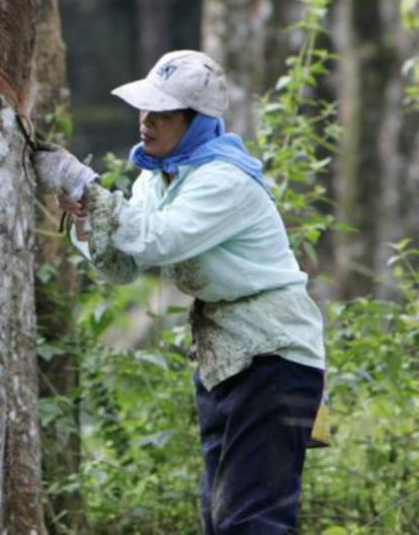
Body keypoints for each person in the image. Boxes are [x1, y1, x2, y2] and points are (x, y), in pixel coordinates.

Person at [33, 50, 327, 534]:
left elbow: (159, 238)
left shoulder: (224, 179)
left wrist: (88, 187)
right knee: (220, 515)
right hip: (225, 357)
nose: (146, 123)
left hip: (275, 358)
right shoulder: (159, 177)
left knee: (252, 519)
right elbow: (128, 264)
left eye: (163, 114)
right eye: (145, 110)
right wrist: (82, 218)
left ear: (195, 123)